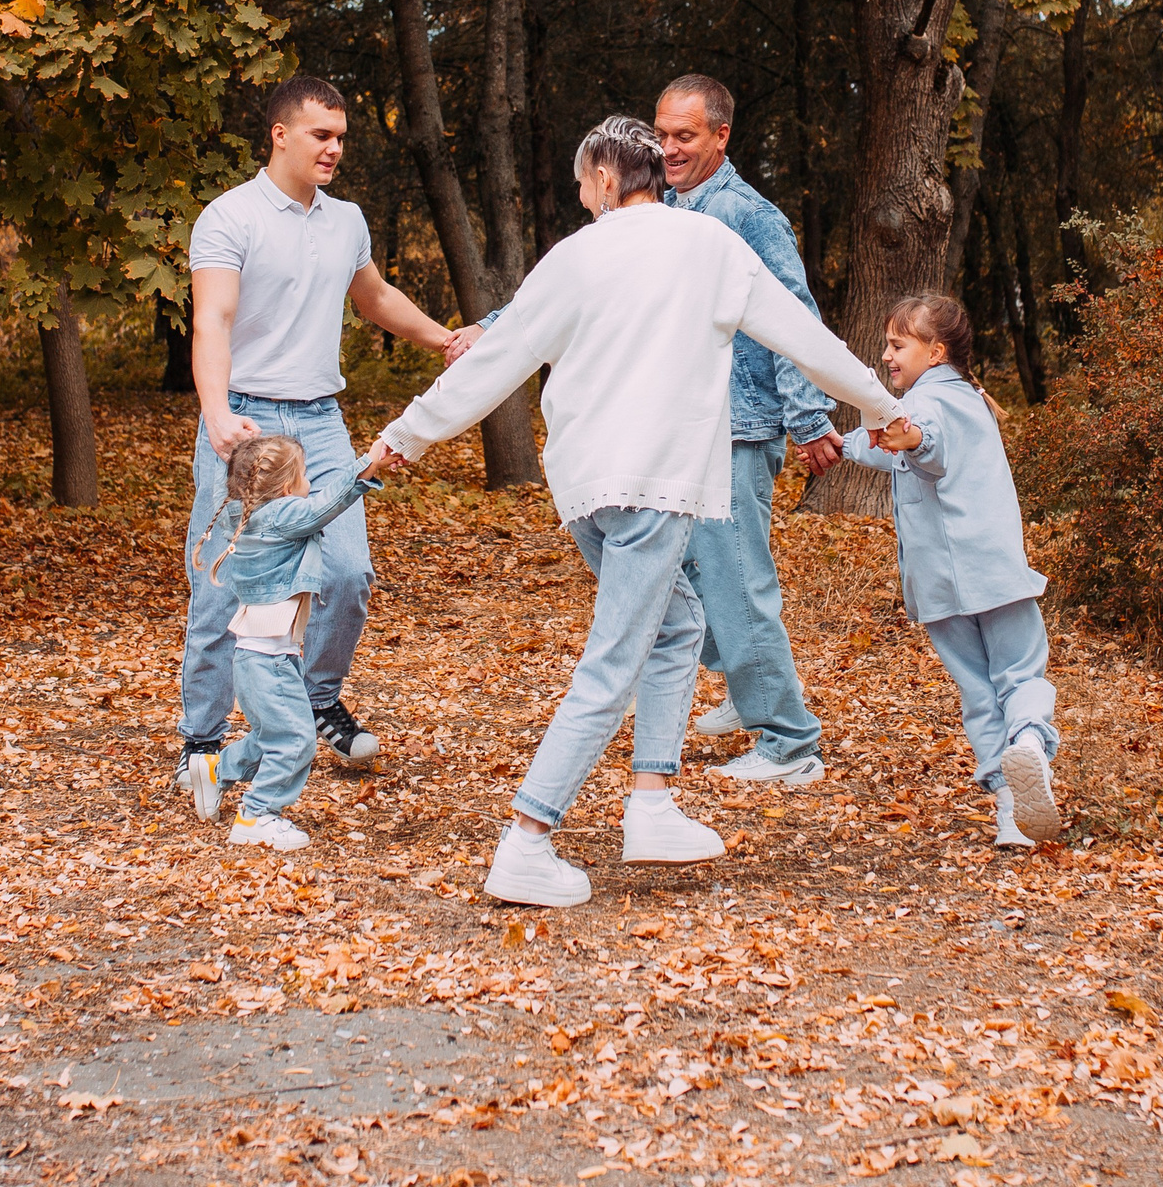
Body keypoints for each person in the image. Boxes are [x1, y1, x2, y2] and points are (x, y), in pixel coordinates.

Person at [372, 115, 899, 907]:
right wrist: (882, 406)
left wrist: (408, 435)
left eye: (583, 186)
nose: (582, 200)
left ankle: (652, 803)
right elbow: (806, 340)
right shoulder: (711, 250)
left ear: (609, 181)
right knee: (613, 659)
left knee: (679, 623)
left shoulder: (574, 257)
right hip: (653, 485)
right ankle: (527, 838)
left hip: (586, 489)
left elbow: (501, 357)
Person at [175, 75, 476, 804]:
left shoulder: (345, 221)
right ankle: (202, 740)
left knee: (345, 576)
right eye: (322, 135)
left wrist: (443, 339)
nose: (335, 148)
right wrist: (216, 412)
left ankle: (312, 704)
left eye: (341, 137)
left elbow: (372, 297)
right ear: (280, 134)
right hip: (246, 420)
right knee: (223, 584)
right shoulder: (229, 217)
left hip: (321, 422)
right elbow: (211, 320)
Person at [654, 74, 844, 786]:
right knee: (676, 573)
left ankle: (790, 743)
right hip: (684, 425)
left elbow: (792, 314)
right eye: (662, 134)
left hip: (739, 424)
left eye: (685, 136)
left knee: (735, 583)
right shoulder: (671, 207)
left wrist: (806, 416)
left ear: (720, 136)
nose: (669, 148)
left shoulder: (744, 213)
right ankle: (745, 684)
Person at [838, 294, 1062, 848]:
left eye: (898, 345)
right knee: (1020, 676)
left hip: (940, 583)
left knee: (980, 696)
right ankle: (1029, 741)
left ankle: (1011, 814)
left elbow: (925, 446)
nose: (886, 355)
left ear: (935, 352)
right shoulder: (959, 400)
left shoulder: (929, 403)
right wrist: (841, 445)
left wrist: (908, 438)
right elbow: (899, 448)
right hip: (991, 571)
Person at [183, 436, 385, 851]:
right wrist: (368, 465)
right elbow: (326, 505)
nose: (309, 480)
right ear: (287, 485)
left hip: (263, 656)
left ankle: (215, 769)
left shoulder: (244, 514)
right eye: (303, 473)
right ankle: (258, 815)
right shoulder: (280, 516)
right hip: (268, 660)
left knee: (270, 735)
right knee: (296, 740)